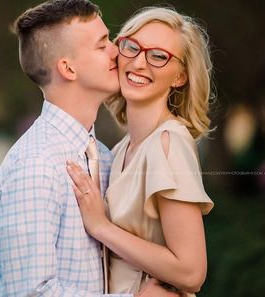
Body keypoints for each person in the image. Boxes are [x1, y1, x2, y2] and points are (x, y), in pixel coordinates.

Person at [0, 1, 181, 297]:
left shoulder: (105, 158)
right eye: (101, 45)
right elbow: (33, 293)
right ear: (68, 68)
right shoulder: (36, 165)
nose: (116, 51)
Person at [67, 6, 215, 296]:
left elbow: (192, 271)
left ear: (180, 77)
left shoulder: (169, 143)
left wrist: (101, 227)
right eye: (132, 47)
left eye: (159, 56)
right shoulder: (124, 148)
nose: (138, 63)